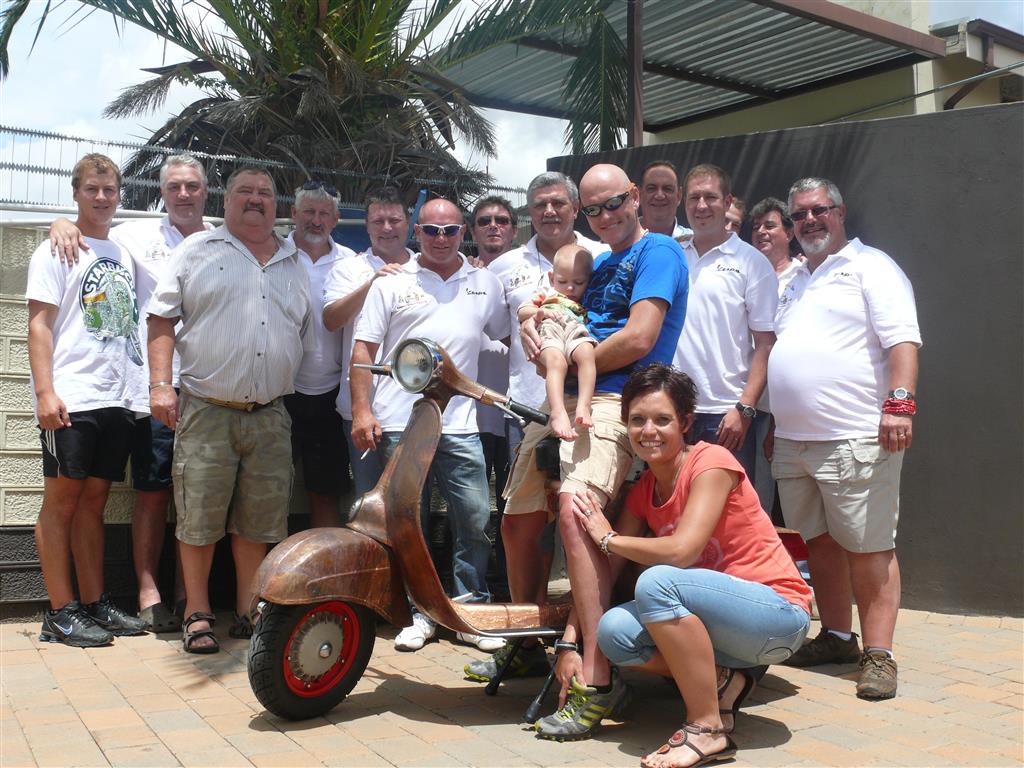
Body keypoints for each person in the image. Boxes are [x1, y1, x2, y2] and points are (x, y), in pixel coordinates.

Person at [503, 164, 689, 740]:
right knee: (516, 518)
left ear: (634, 197)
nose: (605, 216)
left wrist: (566, 359)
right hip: (562, 399)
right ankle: (529, 646)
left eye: (613, 204)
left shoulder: (659, 252)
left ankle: (595, 675)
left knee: (576, 511)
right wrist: (534, 324)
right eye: (593, 210)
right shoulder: (600, 263)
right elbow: (556, 306)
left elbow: (639, 337)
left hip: (611, 401)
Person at [569, 363, 811, 763]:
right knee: (613, 631)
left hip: (777, 616)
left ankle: (707, 728)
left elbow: (682, 550)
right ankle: (725, 682)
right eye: (637, 420)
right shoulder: (645, 490)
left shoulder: (711, 463)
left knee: (657, 582)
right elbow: (607, 570)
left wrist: (608, 538)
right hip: (722, 635)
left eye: (662, 420)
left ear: (685, 422)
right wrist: (570, 639)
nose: (648, 430)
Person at [147, 167, 313, 654]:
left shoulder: (294, 260)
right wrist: (161, 386)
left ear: (277, 205)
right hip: (206, 409)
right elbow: (160, 319)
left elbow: (300, 330)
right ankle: (197, 613)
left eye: (265, 193)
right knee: (198, 520)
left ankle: (247, 610)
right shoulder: (197, 250)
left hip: (271, 413)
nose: (256, 199)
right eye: (245, 191)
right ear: (225, 200)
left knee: (257, 523)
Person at [769, 177, 921, 700]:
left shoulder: (871, 266)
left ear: (840, 212)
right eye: (800, 214)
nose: (809, 221)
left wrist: (899, 405)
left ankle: (879, 655)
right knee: (819, 543)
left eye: (819, 210)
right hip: (793, 441)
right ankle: (836, 637)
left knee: (869, 546)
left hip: (855, 434)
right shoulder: (792, 279)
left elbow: (902, 340)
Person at [46, 153, 212, 633]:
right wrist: (60, 222)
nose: (184, 194)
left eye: (192, 186)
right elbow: (87, 232)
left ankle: (190, 597)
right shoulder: (133, 236)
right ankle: (147, 591)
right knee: (153, 490)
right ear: (162, 192)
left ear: (206, 192)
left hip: (209, 388)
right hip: (153, 389)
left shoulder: (222, 240)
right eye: (174, 186)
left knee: (199, 493)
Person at [349, 198, 510, 653]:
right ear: (417, 232)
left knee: (474, 518)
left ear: (464, 233)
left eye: (451, 230)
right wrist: (362, 411)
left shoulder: (485, 282)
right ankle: (418, 612)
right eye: (432, 230)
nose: (442, 239)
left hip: (460, 423)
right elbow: (363, 352)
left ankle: (468, 610)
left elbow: (508, 334)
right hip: (399, 423)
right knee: (407, 525)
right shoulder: (391, 282)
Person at [27, 153, 149, 646]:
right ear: (76, 192)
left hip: (116, 397)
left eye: (109, 189)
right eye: (92, 189)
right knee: (60, 504)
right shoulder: (54, 249)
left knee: (94, 504)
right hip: (71, 398)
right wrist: (44, 392)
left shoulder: (123, 251)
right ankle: (60, 612)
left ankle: (95, 605)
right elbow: (39, 324)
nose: (101, 197)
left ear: (120, 195)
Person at [672, 164, 777, 488]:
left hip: (726, 415)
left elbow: (765, 344)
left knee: (728, 512)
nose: (701, 205)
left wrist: (744, 408)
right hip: (672, 409)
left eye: (711, 197)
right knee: (674, 509)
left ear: (728, 201)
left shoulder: (752, 262)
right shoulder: (672, 255)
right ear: (683, 202)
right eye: (694, 198)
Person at [322, 187, 414, 495]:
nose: (387, 228)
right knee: (367, 501)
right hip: (362, 410)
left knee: (409, 504)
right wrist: (373, 283)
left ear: (408, 222)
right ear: (367, 225)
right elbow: (331, 320)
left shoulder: (424, 268)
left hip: (412, 409)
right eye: (378, 221)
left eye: (394, 220)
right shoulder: (349, 268)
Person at [285, 181, 355, 527]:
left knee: (326, 492)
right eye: (309, 212)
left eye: (324, 213)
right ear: (293, 213)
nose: (316, 220)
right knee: (269, 492)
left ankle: (323, 562)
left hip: (331, 395)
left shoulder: (351, 263)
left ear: (336, 219)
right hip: (278, 393)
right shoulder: (271, 254)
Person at [469, 195, 519, 600]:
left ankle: (509, 587)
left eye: (502, 220)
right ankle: (471, 587)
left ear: (514, 230)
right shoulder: (460, 274)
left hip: (516, 409)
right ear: (472, 231)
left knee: (513, 505)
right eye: (484, 220)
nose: (493, 226)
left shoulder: (527, 273)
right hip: (470, 412)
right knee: (468, 509)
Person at [516, 244, 596, 441]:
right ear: (552, 278)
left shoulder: (587, 299)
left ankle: (584, 405)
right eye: (562, 281)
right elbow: (522, 311)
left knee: (587, 354)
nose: (570, 288)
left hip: (573, 328)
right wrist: (541, 312)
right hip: (550, 327)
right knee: (556, 363)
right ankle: (557, 411)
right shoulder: (547, 292)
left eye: (578, 282)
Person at [750, 197, 800, 293]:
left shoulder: (803, 274)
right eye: (756, 227)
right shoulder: (742, 273)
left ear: (789, 234)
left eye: (769, 226)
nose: (760, 231)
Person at [638, 161, 694, 242]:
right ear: (639, 195)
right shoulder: (621, 239)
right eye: (651, 188)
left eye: (667, 189)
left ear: (679, 196)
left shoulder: (695, 242)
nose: (659, 196)